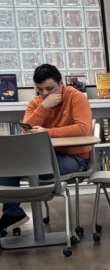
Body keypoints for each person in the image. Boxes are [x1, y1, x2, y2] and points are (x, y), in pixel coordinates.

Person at [0, 64, 94, 231]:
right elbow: (26, 129)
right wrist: (44, 107)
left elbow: (83, 128)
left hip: (75, 159)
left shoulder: (76, 97)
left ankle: (21, 208)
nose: (44, 94)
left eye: (49, 89)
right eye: (40, 90)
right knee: (6, 165)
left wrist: (48, 132)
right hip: (45, 158)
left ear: (61, 84)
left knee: (31, 168)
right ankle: (13, 212)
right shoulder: (36, 103)